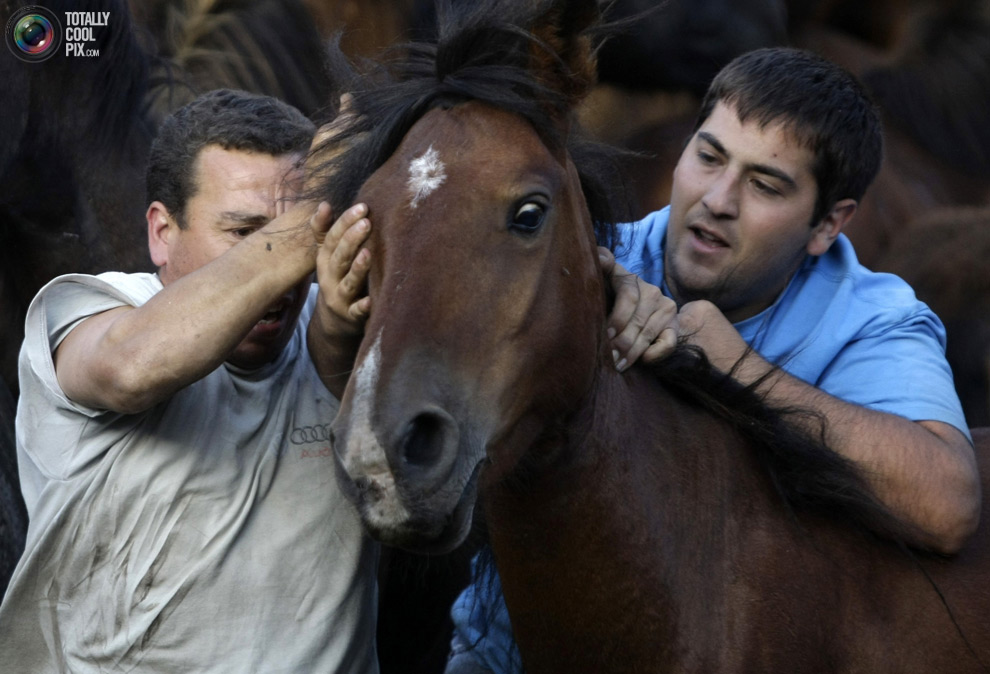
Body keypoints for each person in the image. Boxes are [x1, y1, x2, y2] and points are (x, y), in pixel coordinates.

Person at [442, 47, 981, 673]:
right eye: (709, 156)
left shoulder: (872, 322)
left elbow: (949, 506)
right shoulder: (591, 262)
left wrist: (736, 369)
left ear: (827, 226)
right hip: (506, 656)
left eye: (764, 184)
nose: (718, 200)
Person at [0, 89, 379, 672]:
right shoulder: (90, 309)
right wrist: (309, 221)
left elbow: (336, 360)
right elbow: (132, 366)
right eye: (243, 230)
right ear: (161, 231)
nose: (281, 270)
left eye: (291, 229)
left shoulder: (335, 315)